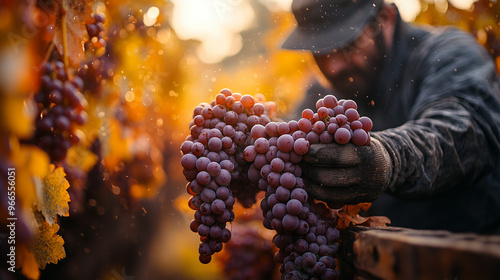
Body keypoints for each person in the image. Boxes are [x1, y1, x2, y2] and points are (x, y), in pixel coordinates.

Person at [281, 0, 500, 234]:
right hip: (379, 263)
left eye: (347, 45)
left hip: (471, 252)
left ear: (385, 18)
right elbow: (288, 139)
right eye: (319, 52)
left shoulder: (449, 54)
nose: (333, 66)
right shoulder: (324, 91)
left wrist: (391, 159)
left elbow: (464, 131)